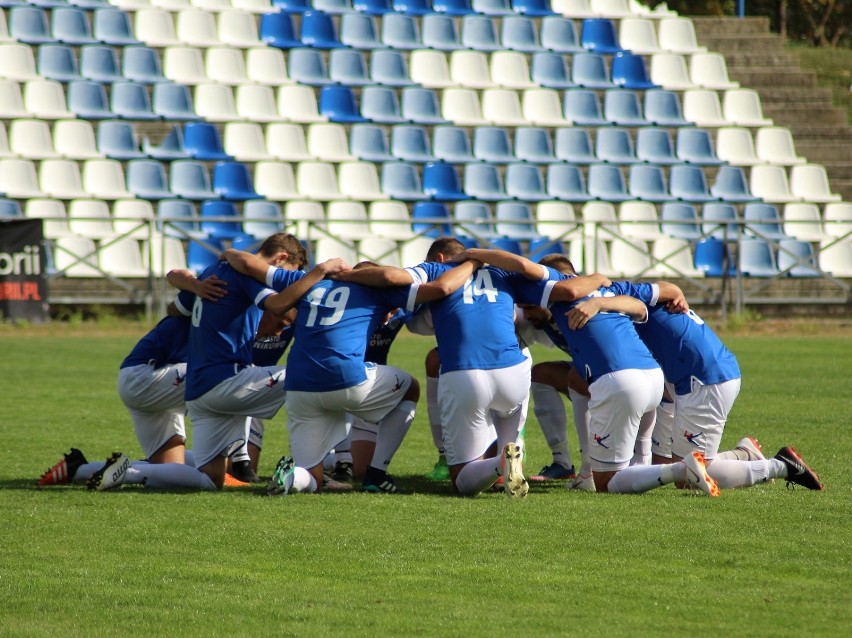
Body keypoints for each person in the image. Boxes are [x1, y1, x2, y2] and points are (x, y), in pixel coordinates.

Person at [336, 237, 608, 498]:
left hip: (465, 374)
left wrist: (345, 275)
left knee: (463, 480)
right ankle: (512, 455)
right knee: (510, 403)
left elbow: (391, 277)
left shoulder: (436, 269)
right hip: (513, 373)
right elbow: (568, 288)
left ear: (441, 258)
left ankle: (499, 462)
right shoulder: (505, 274)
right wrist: (598, 279)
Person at [458, 249, 722, 496]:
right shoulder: (605, 291)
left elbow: (535, 271)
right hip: (648, 377)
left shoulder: (564, 291)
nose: (527, 309)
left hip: (634, 381)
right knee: (561, 377)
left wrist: (472, 254)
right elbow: (641, 307)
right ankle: (574, 465)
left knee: (608, 481)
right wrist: (599, 297)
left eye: (529, 305)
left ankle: (675, 468)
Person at [223, 248, 481, 494]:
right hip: (346, 380)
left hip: (300, 387)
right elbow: (441, 288)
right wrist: (473, 262)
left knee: (310, 475)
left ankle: (292, 478)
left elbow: (246, 263)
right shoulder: (380, 292)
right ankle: (377, 475)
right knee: (410, 388)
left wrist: (225, 254)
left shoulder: (309, 280)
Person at [576, 289, 824, 491]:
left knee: (687, 477)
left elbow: (661, 294)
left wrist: (599, 303)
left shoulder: (615, 300)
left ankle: (781, 466)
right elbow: (667, 288)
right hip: (705, 374)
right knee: (675, 465)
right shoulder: (632, 293)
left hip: (703, 378)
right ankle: (745, 454)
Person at [37, 275, 228, 491]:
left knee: (171, 470)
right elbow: (174, 280)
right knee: (225, 378)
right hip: (149, 373)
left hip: (147, 377)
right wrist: (196, 287)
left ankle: (79, 469)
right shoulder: (225, 284)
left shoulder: (235, 285)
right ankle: (126, 473)